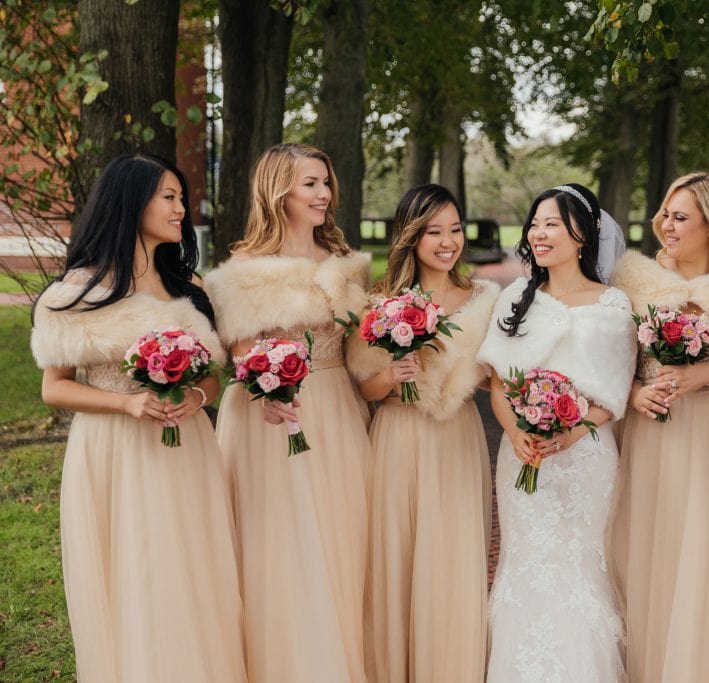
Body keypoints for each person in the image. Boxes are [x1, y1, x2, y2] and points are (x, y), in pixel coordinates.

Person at [30, 154, 246, 681]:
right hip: (114, 449)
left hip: (188, 447)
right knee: (137, 569)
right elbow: (54, 389)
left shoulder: (188, 288)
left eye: (181, 197)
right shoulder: (78, 292)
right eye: (168, 197)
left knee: (190, 569)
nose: (181, 208)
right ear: (132, 202)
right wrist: (127, 402)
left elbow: (214, 375)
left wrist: (197, 400)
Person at [204, 143, 372, 682]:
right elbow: (236, 350)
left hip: (337, 408)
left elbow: (357, 348)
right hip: (269, 414)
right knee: (281, 542)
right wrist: (265, 386)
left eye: (326, 183)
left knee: (341, 537)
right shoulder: (245, 269)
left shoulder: (344, 264)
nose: (324, 194)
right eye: (310, 184)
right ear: (279, 191)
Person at [607, 172, 709, 682]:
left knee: (707, 555)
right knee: (647, 553)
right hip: (651, 436)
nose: (667, 226)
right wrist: (635, 393)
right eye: (666, 214)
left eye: (681, 217)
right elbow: (614, 366)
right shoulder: (635, 282)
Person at [477, 183, 636, 682]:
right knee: (524, 566)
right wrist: (516, 432)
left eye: (553, 223)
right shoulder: (516, 298)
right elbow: (499, 381)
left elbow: (615, 391)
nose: (539, 233)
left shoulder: (614, 304)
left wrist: (572, 432)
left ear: (583, 234)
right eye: (535, 223)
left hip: (585, 457)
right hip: (522, 455)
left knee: (580, 566)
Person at [345, 184, 499, 683]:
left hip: (457, 437)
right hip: (397, 438)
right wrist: (392, 376)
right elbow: (365, 390)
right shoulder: (381, 303)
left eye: (455, 230)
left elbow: (499, 372)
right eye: (434, 231)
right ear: (411, 236)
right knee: (397, 558)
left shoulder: (485, 300)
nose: (447, 241)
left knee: (451, 558)